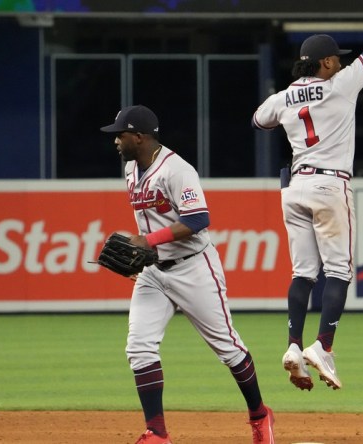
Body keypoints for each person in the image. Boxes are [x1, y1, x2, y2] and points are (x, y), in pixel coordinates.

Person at [251, 1, 363, 390]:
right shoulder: (341, 84)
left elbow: (258, 120)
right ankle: (323, 345)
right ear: (323, 64)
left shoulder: (284, 97)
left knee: (303, 273)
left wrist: (293, 106)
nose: (339, 63)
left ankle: (292, 345)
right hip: (329, 184)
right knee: (338, 271)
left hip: (295, 187)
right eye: (334, 59)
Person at [100, 105, 275, 443]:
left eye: (120, 134)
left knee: (228, 349)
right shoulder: (129, 169)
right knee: (139, 347)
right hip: (154, 272)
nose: (116, 141)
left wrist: (147, 240)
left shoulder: (177, 170)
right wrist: (141, 257)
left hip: (194, 268)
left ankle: (259, 414)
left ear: (139, 136)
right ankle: (157, 433)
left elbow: (198, 220)